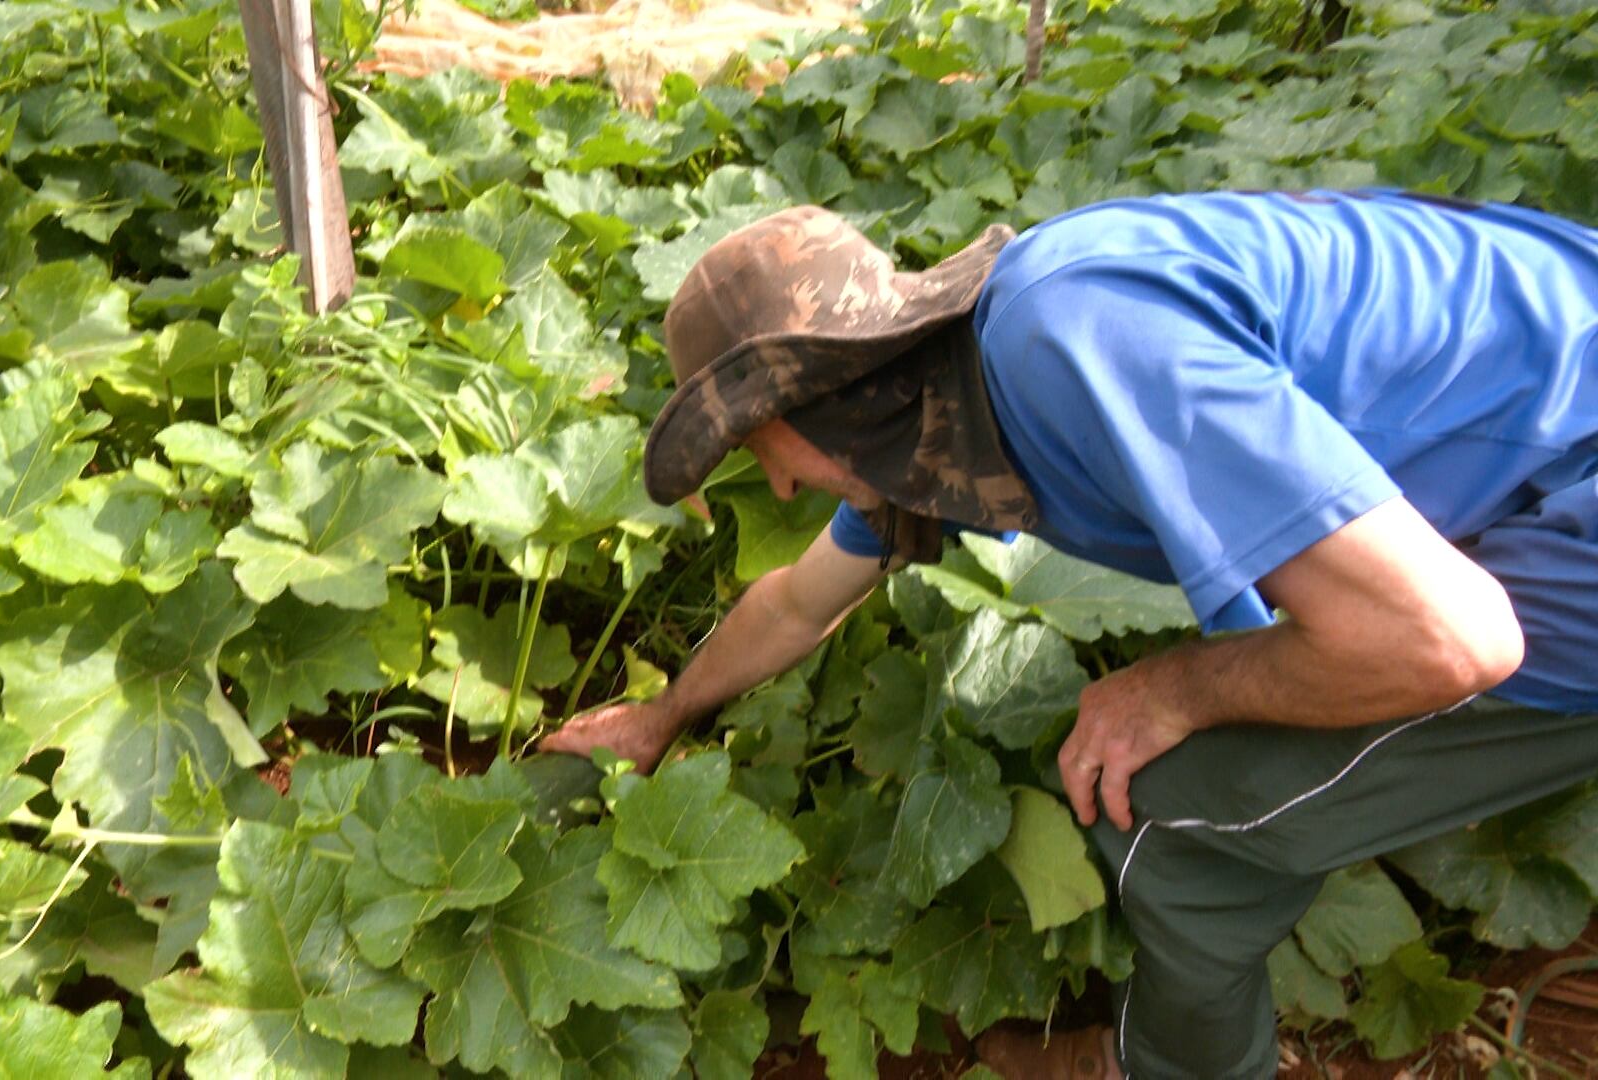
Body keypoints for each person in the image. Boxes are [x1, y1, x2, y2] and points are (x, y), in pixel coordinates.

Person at [540, 189, 1598, 1079]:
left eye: (757, 444)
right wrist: (662, 715)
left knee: (1168, 814)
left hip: (1563, 529)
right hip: (1552, 416)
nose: (774, 484)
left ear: (812, 399)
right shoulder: (944, 404)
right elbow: (799, 601)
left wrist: (1176, 689)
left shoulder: (1075, 343)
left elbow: (1453, 640)